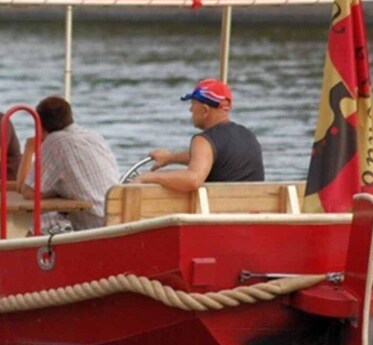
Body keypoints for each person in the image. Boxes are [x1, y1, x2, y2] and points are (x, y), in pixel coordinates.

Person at [136, 79, 264, 191]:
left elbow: (193, 179)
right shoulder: (248, 136)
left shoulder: (203, 140)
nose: (190, 110)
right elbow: (209, 157)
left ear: (204, 110)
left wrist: (149, 177)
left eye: (193, 104)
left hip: (220, 214)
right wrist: (169, 158)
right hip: (255, 212)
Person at [21, 96, 119, 232]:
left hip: (94, 225)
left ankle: (23, 251)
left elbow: (28, 192)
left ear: (39, 124)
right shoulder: (93, 135)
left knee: (29, 223)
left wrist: (29, 148)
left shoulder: (55, 141)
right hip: (116, 215)